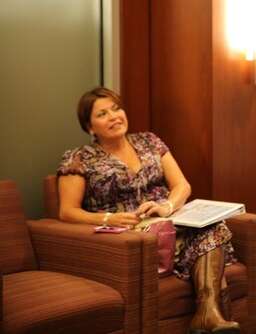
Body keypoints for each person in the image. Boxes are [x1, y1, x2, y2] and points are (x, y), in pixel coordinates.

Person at [57, 86, 240, 334]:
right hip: (130, 234)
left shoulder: (149, 141)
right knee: (212, 240)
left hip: (169, 224)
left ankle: (208, 312)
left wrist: (167, 206)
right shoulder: (78, 158)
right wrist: (110, 218)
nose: (114, 116)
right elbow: (67, 211)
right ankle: (210, 315)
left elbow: (182, 185)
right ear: (89, 127)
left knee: (213, 226)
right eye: (102, 114)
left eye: (116, 108)